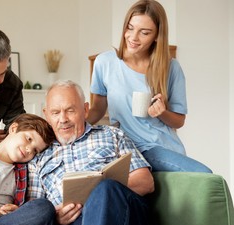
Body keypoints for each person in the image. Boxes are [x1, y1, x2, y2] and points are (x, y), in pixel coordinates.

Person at [27, 80, 154, 225]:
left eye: (70, 110)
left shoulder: (112, 135)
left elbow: (145, 182)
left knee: (106, 188)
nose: (63, 119)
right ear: (46, 115)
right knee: (92, 223)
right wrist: (55, 218)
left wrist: (99, 191)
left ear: (85, 110)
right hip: (74, 224)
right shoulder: (38, 156)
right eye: (55, 112)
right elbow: (35, 213)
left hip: (126, 214)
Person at [87, 0, 211, 173]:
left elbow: (179, 121)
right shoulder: (105, 62)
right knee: (203, 175)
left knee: (204, 176)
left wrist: (162, 112)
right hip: (129, 146)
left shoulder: (171, 67)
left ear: (157, 36)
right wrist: (71, 126)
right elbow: (97, 110)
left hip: (161, 147)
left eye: (144, 32)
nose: (133, 37)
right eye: (130, 28)